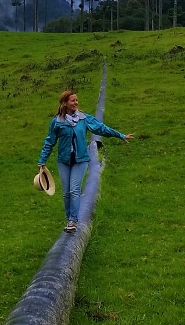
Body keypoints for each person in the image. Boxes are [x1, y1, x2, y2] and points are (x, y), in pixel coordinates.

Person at [37, 89, 133, 233]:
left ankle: (73, 221)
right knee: (66, 193)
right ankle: (69, 217)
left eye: (76, 100)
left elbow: (101, 128)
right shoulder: (56, 122)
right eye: (73, 100)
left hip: (80, 160)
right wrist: (42, 160)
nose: (76, 102)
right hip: (63, 161)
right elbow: (49, 142)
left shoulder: (84, 119)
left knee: (74, 189)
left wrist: (120, 135)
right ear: (64, 103)